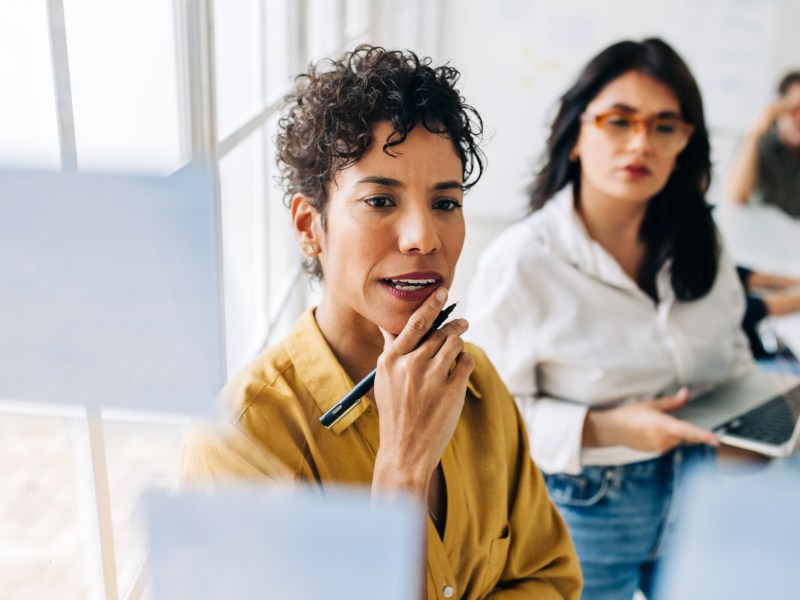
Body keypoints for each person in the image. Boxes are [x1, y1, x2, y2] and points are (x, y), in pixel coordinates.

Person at [181, 45, 582, 599]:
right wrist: (402, 468)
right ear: (309, 226)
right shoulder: (243, 440)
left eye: (446, 203)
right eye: (379, 201)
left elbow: (552, 579)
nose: (424, 237)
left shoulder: (477, 380)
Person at [465, 38, 754, 599]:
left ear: (684, 144)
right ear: (577, 136)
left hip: (701, 489)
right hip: (584, 507)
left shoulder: (702, 241)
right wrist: (609, 428)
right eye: (618, 121)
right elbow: (484, 425)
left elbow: (733, 358)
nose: (641, 142)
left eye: (665, 126)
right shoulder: (522, 261)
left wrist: (758, 423)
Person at [726, 71, 800, 215]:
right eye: (794, 109)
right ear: (778, 109)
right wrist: (756, 132)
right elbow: (736, 196)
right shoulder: (761, 143)